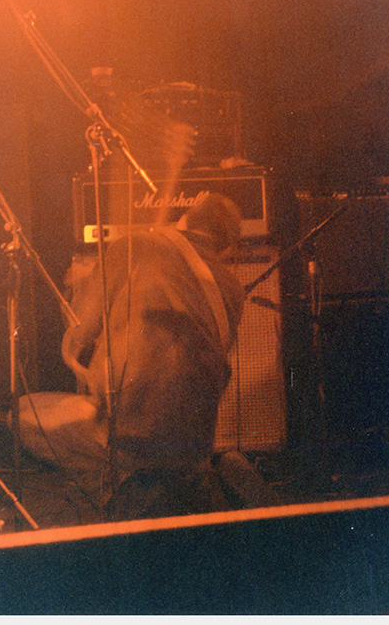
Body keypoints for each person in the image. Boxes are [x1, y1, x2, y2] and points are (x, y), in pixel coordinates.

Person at [17, 192, 245, 520]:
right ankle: (154, 492)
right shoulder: (233, 289)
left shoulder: (133, 245)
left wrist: (79, 285)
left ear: (182, 221)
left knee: (24, 412)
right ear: (228, 248)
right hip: (193, 447)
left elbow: (78, 333)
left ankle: (118, 490)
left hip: (131, 441)